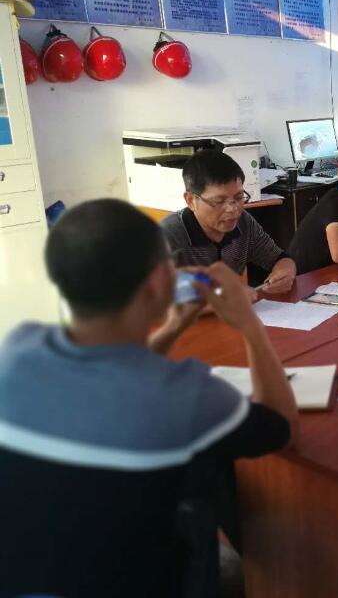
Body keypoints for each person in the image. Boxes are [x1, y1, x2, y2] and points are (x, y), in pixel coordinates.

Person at [0, 199, 298, 597]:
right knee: (209, 472)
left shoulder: (16, 349)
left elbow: (110, 386)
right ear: (159, 284)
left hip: (24, 577)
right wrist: (248, 324)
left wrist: (173, 327)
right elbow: (282, 427)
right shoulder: (185, 393)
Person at [161, 150, 297, 294]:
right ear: (190, 200)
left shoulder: (243, 222)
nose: (233, 209)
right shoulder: (167, 237)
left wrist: (286, 271)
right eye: (219, 201)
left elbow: (279, 258)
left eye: (238, 197)